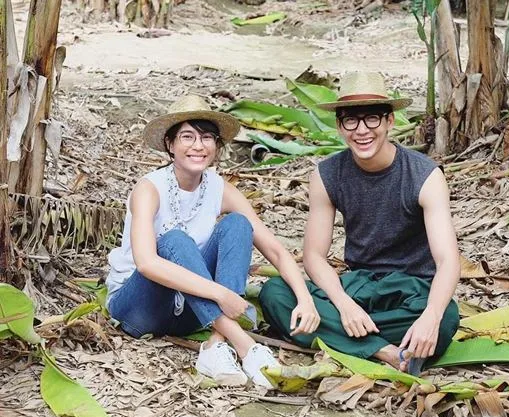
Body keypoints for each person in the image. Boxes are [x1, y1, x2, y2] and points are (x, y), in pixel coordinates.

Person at [105, 95, 320, 388]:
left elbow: (275, 250)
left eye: (207, 138)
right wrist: (221, 293)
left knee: (238, 224)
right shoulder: (150, 188)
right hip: (141, 308)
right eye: (187, 137)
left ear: (217, 146)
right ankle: (246, 346)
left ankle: (216, 344)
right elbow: (146, 263)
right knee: (175, 240)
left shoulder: (220, 189)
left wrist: (305, 300)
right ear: (170, 144)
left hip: (194, 312)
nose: (198, 146)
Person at [259, 72, 460, 375]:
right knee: (275, 293)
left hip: (410, 290)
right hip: (357, 286)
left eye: (372, 119)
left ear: (389, 121)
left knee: (446, 319)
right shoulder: (327, 175)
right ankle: (386, 351)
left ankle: (345, 338)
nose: (362, 130)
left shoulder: (425, 176)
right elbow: (313, 256)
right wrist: (343, 304)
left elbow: (447, 260)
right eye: (351, 121)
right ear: (340, 126)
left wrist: (430, 316)